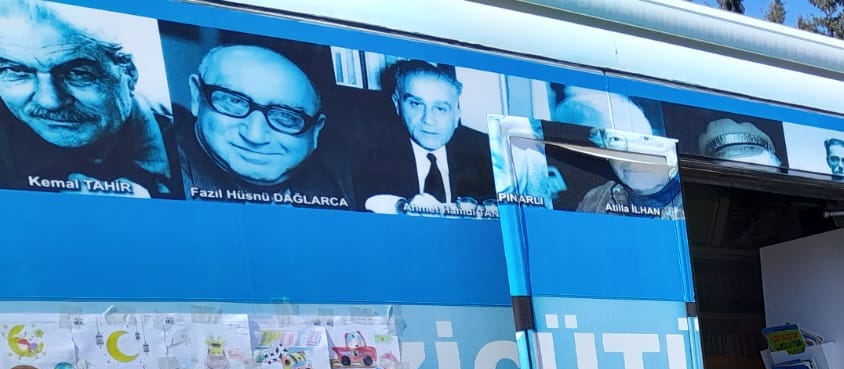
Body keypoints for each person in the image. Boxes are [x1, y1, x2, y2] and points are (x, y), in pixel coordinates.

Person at [0, 0, 178, 197]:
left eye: (78, 73)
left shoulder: (189, 138)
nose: (49, 101)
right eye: (15, 70)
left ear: (129, 74)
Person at [175, 39, 349, 205]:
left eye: (286, 116)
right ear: (197, 95)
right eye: (234, 101)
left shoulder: (341, 191)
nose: (254, 136)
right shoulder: (164, 180)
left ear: (316, 130)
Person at [356, 59, 494, 215]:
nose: (428, 120)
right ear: (397, 104)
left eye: (440, 108)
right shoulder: (370, 153)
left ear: (457, 115)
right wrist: (402, 207)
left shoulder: (488, 152)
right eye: (416, 104)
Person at [549, 89, 680, 218]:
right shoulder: (595, 200)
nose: (630, 157)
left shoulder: (689, 196)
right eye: (615, 140)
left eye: (641, 140)